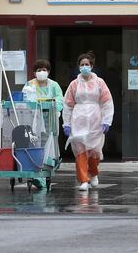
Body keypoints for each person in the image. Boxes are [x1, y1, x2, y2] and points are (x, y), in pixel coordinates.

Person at [62, 51, 114, 191]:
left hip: (95, 119)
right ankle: (83, 180)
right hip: (78, 119)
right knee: (80, 150)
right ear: (78, 67)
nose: (84, 66)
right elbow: (67, 104)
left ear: (91, 66)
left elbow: (107, 102)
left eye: (87, 64)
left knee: (94, 151)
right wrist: (66, 123)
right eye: (82, 64)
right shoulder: (74, 84)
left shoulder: (99, 82)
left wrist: (107, 120)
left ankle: (93, 173)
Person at [21, 59, 63, 189]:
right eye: (39, 70)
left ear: (48, 72)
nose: (42, 72)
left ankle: (44, 176)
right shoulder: (29, 85)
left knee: (47, 147)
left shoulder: (54, 85)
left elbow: (60, 100)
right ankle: (34, 176)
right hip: (33, 120)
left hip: (49, 120)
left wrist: (52, 105)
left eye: (44, 70)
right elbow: (24, 100)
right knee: (33, 144)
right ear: (34, 72)